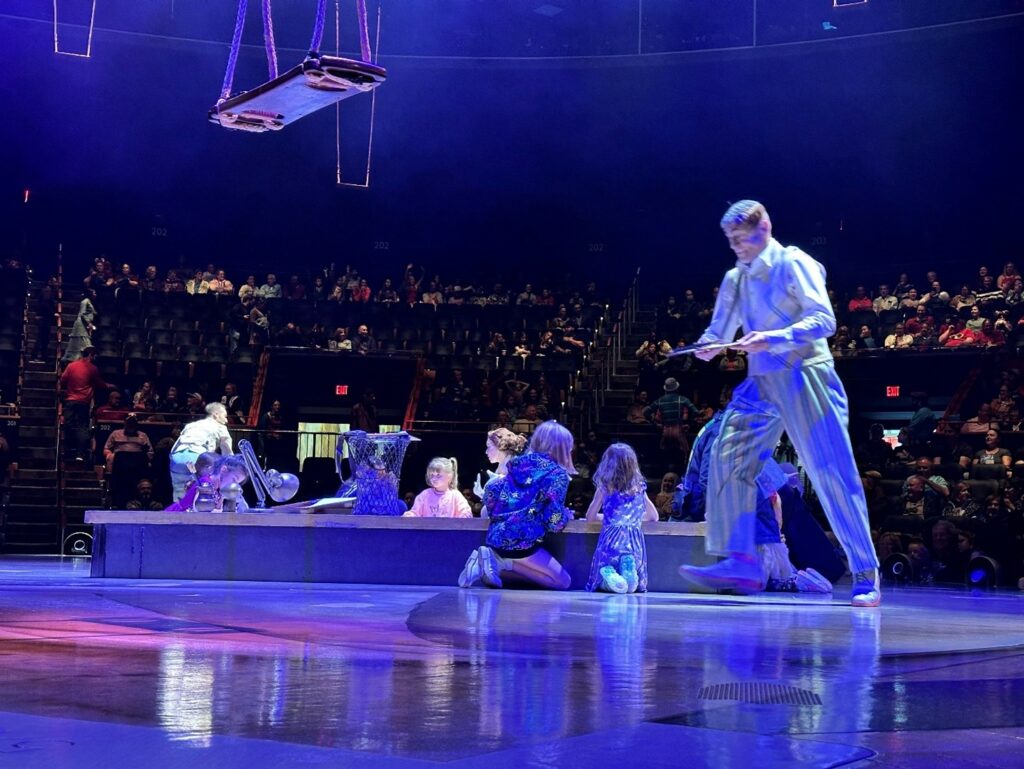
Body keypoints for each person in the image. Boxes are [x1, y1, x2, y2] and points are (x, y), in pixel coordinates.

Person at [677, 200, 880, 607]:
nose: (735, 247)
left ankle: (865, 570)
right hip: (762, 380)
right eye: (730, 241)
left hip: (807, 372)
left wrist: (772, 338)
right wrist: (707, 345)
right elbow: (718, 330)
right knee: (728, 451)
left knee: (830, 471)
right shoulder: (736, 278)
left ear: (763, 229)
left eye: (740, 239)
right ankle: (742, 559)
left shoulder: (794, 263)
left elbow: (824, 321)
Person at [459, 420, 575, 590]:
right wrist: (565, 515)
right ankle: (499, 564)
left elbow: (493, 491)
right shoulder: (557, 474)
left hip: (496, 537)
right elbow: (554, 522)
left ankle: (485, 565)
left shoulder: (517, 463)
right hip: (523, 542)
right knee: (563, 582)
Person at [584, 443, 659, 593]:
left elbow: (590, 517)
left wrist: (607, 518)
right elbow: (653, 516)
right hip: (633, 540)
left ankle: (610, 575)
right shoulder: (639, 488)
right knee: (632, 585)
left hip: (611, 538)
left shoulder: (605, 487)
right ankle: (629, 571)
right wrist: (632, 519)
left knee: (600, 577)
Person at [168, 403, 233, 501]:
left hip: (177, 457)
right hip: (196, 457)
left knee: (179, 492)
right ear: (216, 414)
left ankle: (177, 514)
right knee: (204, 491)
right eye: (225, 416)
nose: (226, 420)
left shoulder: (191, 425)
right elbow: (228, 455)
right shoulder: (221, 428)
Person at [58, 346, 111, 464]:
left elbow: (63, 380)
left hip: (71, 400)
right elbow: (99, 383)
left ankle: (66, 452)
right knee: (82, 427)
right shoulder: (93, 369)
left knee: (69, 425)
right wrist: (109, 386)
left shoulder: (71, 366)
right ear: (91, 355)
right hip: (83, 402)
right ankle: (80, 454)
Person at [471, 428, 528, 520]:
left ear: (500, 445)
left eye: (489, 447)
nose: (486, 452)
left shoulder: (516, 467)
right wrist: (483, 494)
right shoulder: (502, 468)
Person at [406, 457, 472, 518]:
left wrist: (464, 516)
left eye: (438, 475)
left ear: (449, 476)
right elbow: (414, 512)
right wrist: (409, 515)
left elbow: (466, 513)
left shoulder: (455, 496)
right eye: (432, 475)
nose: (434, 479)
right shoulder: (425, 495)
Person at [62, 289, 96, 363]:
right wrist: (89, 323)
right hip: (82, 324)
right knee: (84, 342)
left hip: (85, 324)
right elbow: (82, 313)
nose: (95, 294)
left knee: (82, 343)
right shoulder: (85, 301)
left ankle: (81, 359)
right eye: (94, 293)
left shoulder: (89, 302)